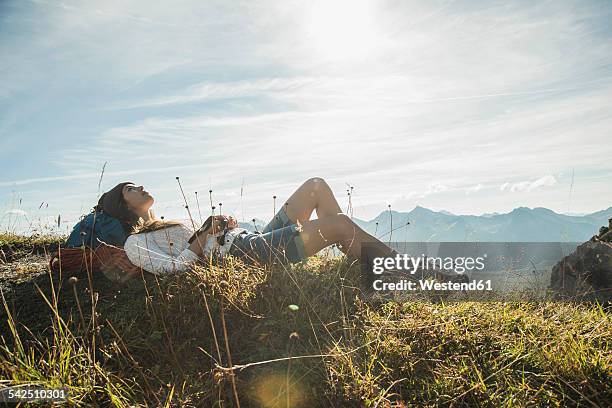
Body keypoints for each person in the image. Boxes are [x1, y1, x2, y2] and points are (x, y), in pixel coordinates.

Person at [118, 177, 398, 275]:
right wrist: (205, 233)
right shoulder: (134, 244)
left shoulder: (165, 223)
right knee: (339, 224)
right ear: (121, 206)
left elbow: (207, 240)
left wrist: (222, 225)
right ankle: (399, 270)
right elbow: (174, 270)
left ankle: (357, 255)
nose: (140, 187)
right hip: (242, 254)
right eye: (130, 189)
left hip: (247, 239)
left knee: (316, 186)